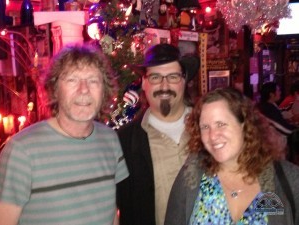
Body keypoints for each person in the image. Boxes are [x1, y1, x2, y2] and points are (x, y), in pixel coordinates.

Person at [0, 44, 129, 225]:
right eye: (72, 80)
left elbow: (110, 213)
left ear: (104, 90)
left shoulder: (110, 140)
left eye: (93, 80)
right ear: (54, 89)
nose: (84, 90)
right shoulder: (21, 151)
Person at [165, 87, 299, 225]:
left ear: (243, 123)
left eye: (221, 124)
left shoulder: (288, 179)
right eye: (205, 127)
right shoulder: (190, 177)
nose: (212, 135)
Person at [116, 43, 200, 225]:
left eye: (173, 76)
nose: (164, 85)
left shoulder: (209, 129)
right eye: (155, 77)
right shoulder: (124, 142)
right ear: (144, 82)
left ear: (184, 80)